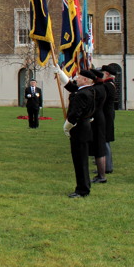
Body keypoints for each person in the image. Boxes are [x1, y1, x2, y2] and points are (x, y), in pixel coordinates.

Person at [56, 66, 96, 198]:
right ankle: (84, 186)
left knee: (80, 161)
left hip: (79, 129)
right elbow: (71, 87)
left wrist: (66, 127)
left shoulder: (82, 94)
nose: (76, 78)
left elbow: (75, 114)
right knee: (81, 160)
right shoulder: (89, 91)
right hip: (84, 128)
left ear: (85, 79)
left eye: (79, 77)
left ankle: (82, 190)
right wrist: (60, 73)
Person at [87, 69, 108, 184]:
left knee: (98, 148)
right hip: (99, 117)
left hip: (96, 119)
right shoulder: (101, 87)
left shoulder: (96, 89)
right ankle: (101, 174)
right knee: (98, 147)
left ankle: (102, 176)